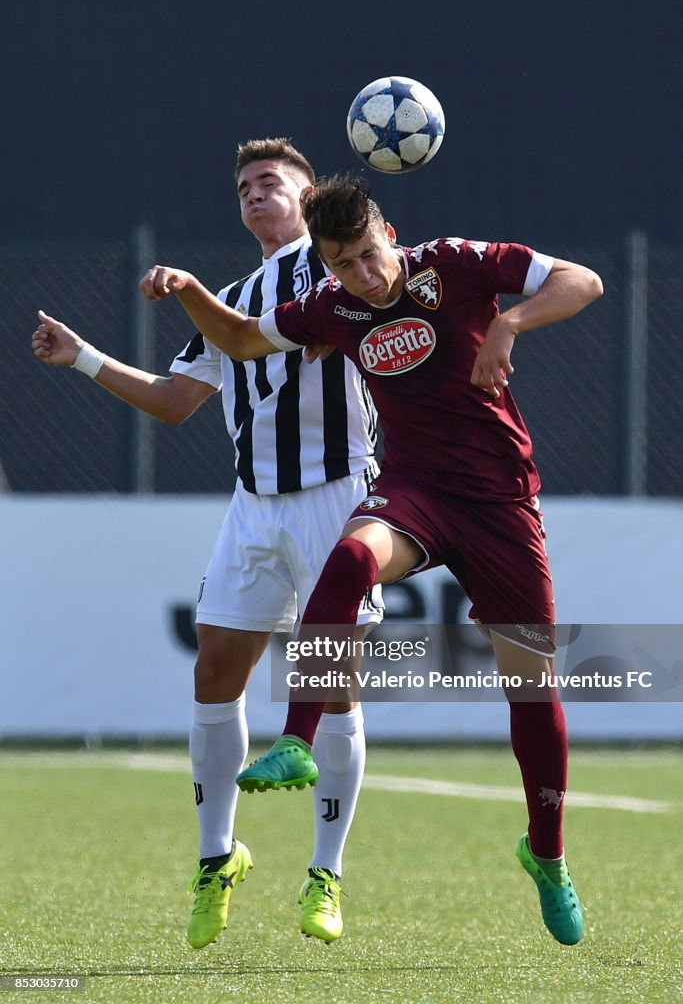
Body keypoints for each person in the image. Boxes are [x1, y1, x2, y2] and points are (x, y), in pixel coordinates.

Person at [138, 173, 604, 947]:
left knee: (532, 689)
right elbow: (244, 340)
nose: (365, 274)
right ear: (326, 265)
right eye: (344, 264)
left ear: (387, 230)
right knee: (349, 557)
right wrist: (188, 289)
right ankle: (294, 739)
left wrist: (508, 325)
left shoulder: (453, 261)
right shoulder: (333, 306)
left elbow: (580, 281)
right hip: (415, 493)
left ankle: (547, 856)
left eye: (368, 254)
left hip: (499, 503)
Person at [31, 143, 384, 948]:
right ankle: (216, 858)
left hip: (336, 497)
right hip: (252, 507)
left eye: (271, 182)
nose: (255, 194)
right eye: (243, 188)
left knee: (331, 683)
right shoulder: (229, 300)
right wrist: (82, 356)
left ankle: (325, 871)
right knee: (215, 671)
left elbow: (361, 324)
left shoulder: (337, 274)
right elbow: (175, 400)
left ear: (309, 198)